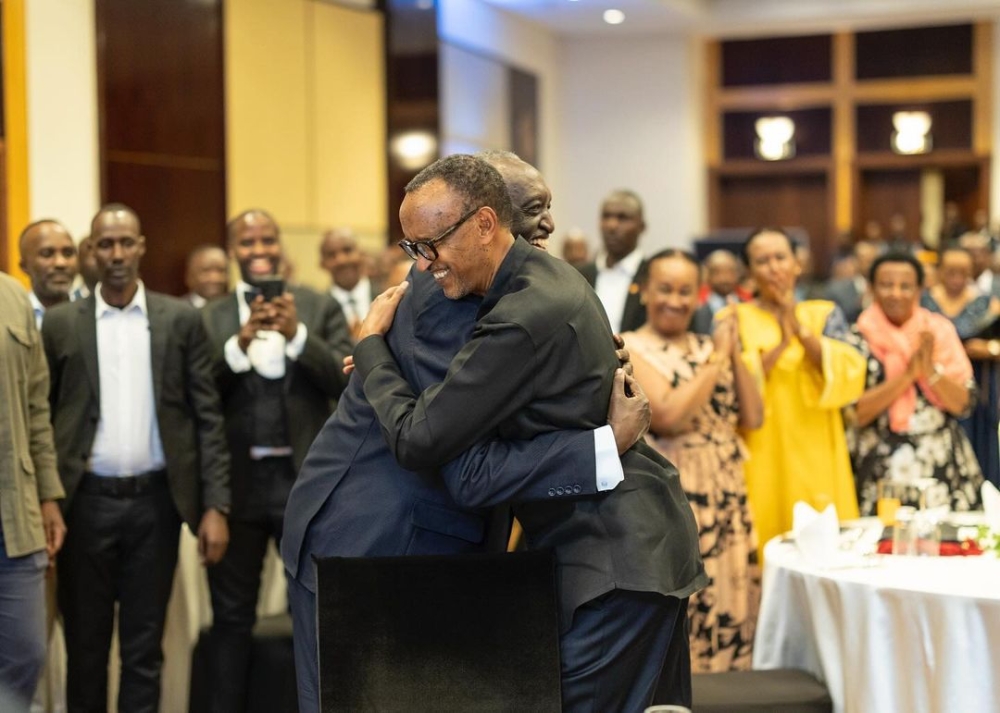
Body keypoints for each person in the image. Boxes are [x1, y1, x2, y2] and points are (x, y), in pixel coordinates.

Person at [283, 149, 650, 713]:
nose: (546, 224)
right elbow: (432, 437)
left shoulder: (500, 287)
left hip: (425, 533)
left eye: (547, 207)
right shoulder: (445, 293)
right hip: (375, 532)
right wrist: (600, 445)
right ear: (485, 217)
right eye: (530, 209)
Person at [353, 155, 705, 711]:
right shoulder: (542, 280)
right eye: (412, 248)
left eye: (432, 245)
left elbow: (425, 445)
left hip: (616, 557)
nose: (423, 265)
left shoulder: (522, 313)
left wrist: (372, 349)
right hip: (617, 547)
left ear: (486, 223)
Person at [42, 204, 230, 713]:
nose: (117, 253)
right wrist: (47, 498)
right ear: (91, 251)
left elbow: (206, 417)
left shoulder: (180, 320)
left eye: (126, 242)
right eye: (105, 244)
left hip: (156, 506)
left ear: (142, 246)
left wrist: (215, 505)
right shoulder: (61, 325)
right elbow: (43, 418)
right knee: (85, 650)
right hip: (85, 507)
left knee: (145, 652)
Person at [200, 209, 352, 713]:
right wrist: (238, 347)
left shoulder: (318, 305)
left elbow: (346, 381)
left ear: (280, 245)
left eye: (267, 239)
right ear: (232, 251)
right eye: (247, 242)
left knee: (310, 616)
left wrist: (298, 337)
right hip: (237, 489)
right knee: (231, 621)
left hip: (305, 486)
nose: (259, 249)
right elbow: (200, 395)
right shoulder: (212, 315)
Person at [623, 249, 763, 673]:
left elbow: (753, 416)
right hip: (675, 493)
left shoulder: (710, 345)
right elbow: (667, 414)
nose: (676, 301)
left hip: (728, 494)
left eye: (686, 291)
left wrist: (732, 353)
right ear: (644, 290)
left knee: (734, 600)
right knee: (687, 609)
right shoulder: (628, 345)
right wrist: (718, 359)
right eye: (664, 289)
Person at [728, 227, 866, 557]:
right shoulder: (733, 318)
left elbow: (849, 372)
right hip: (761, 449)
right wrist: (781, 346)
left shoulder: (823, 313)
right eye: (762, 261)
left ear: (797, 264)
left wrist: (799, 329)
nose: (774, 267)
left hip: (817, 446)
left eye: (780, 257)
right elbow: (729, 384)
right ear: (749, 272)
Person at [848, 253, 983, 511]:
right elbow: (855, 414)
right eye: (886, 285)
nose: (896, 293)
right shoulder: (857, 338)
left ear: (920, 289)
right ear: (871, 288)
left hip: (941, 466)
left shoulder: (938, 333)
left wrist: (928, 369)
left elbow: (964, 405)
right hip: (880, 469)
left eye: (905, 286)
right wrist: (909, 375)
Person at [0, 271, 66, 712]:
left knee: (27, 652)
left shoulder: (12, 295)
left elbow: (36, 407)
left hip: (14, 512)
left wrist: (48, 496)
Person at [921, 246, 1000, 487]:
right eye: (951, 271)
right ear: (940, 271)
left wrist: (989, 349)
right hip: (932, 383)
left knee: (979, 444)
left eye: (963, 272)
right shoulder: (924, 301)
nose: (957, 278)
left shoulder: (987, 303)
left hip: (978, 383)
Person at [578, 189, 649, 332]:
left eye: (622, 218)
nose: (612, 225)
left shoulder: (650, 276)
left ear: (641, 227)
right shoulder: (579, 275)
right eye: (606, 216)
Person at [18, 220, 79, 328]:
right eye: (47, 254)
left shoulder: (93, 314)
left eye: (68, 253)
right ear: (24, 266)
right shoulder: (13, 317)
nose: (60, 263)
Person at [319, 226, 373, 340]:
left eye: (347, 250)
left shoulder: (386, 295)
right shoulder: (318, 309)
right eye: (331, 255)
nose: (341, 260)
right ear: (322, 263)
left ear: (362, 254)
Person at [691, 249, 749, 334]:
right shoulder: (695, 314)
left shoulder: (751, 308)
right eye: (717, 272)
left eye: (729, 271)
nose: (724, 278)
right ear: (707, 275)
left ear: (737, 274)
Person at [825, 241, 881, 323]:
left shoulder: (887, 290)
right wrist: (860, 305)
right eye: (863, 259)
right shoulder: (836, 291)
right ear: (854, 261)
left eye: (871, 259)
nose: (868, 264)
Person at [183, 244, 229, 308]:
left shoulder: (237, 308)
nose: (215, 278)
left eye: (221, 270)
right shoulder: (176, 311)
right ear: (190, 276)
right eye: (206, 270)